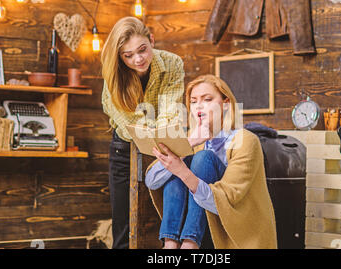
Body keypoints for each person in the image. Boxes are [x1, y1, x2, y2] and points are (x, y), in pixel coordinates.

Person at [145, 75, 277, 249]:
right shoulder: (193, 139)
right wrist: (188, 144)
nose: (199, 105)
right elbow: (152, 181)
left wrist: (183, 172)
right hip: (206, 228)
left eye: (207, 99)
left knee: (201, 158)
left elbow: (226, 201)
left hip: (238, 229)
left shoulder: (246, 140)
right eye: (193, 101)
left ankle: (189, 244)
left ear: (226, 104)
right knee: (178, 162)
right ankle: (170, 243)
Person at [101, 16, 185, 249]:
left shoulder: (173, 63)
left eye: (142, 50)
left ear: (152, 40)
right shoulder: (113, 73)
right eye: (128, 55)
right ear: (119, 56)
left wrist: (162, 136)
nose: (138, 59)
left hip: (164, 145)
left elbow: (170, 108)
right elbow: (128, 121)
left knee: (160, 217)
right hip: (125, 146)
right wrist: (158, 134)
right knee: (124, 224)